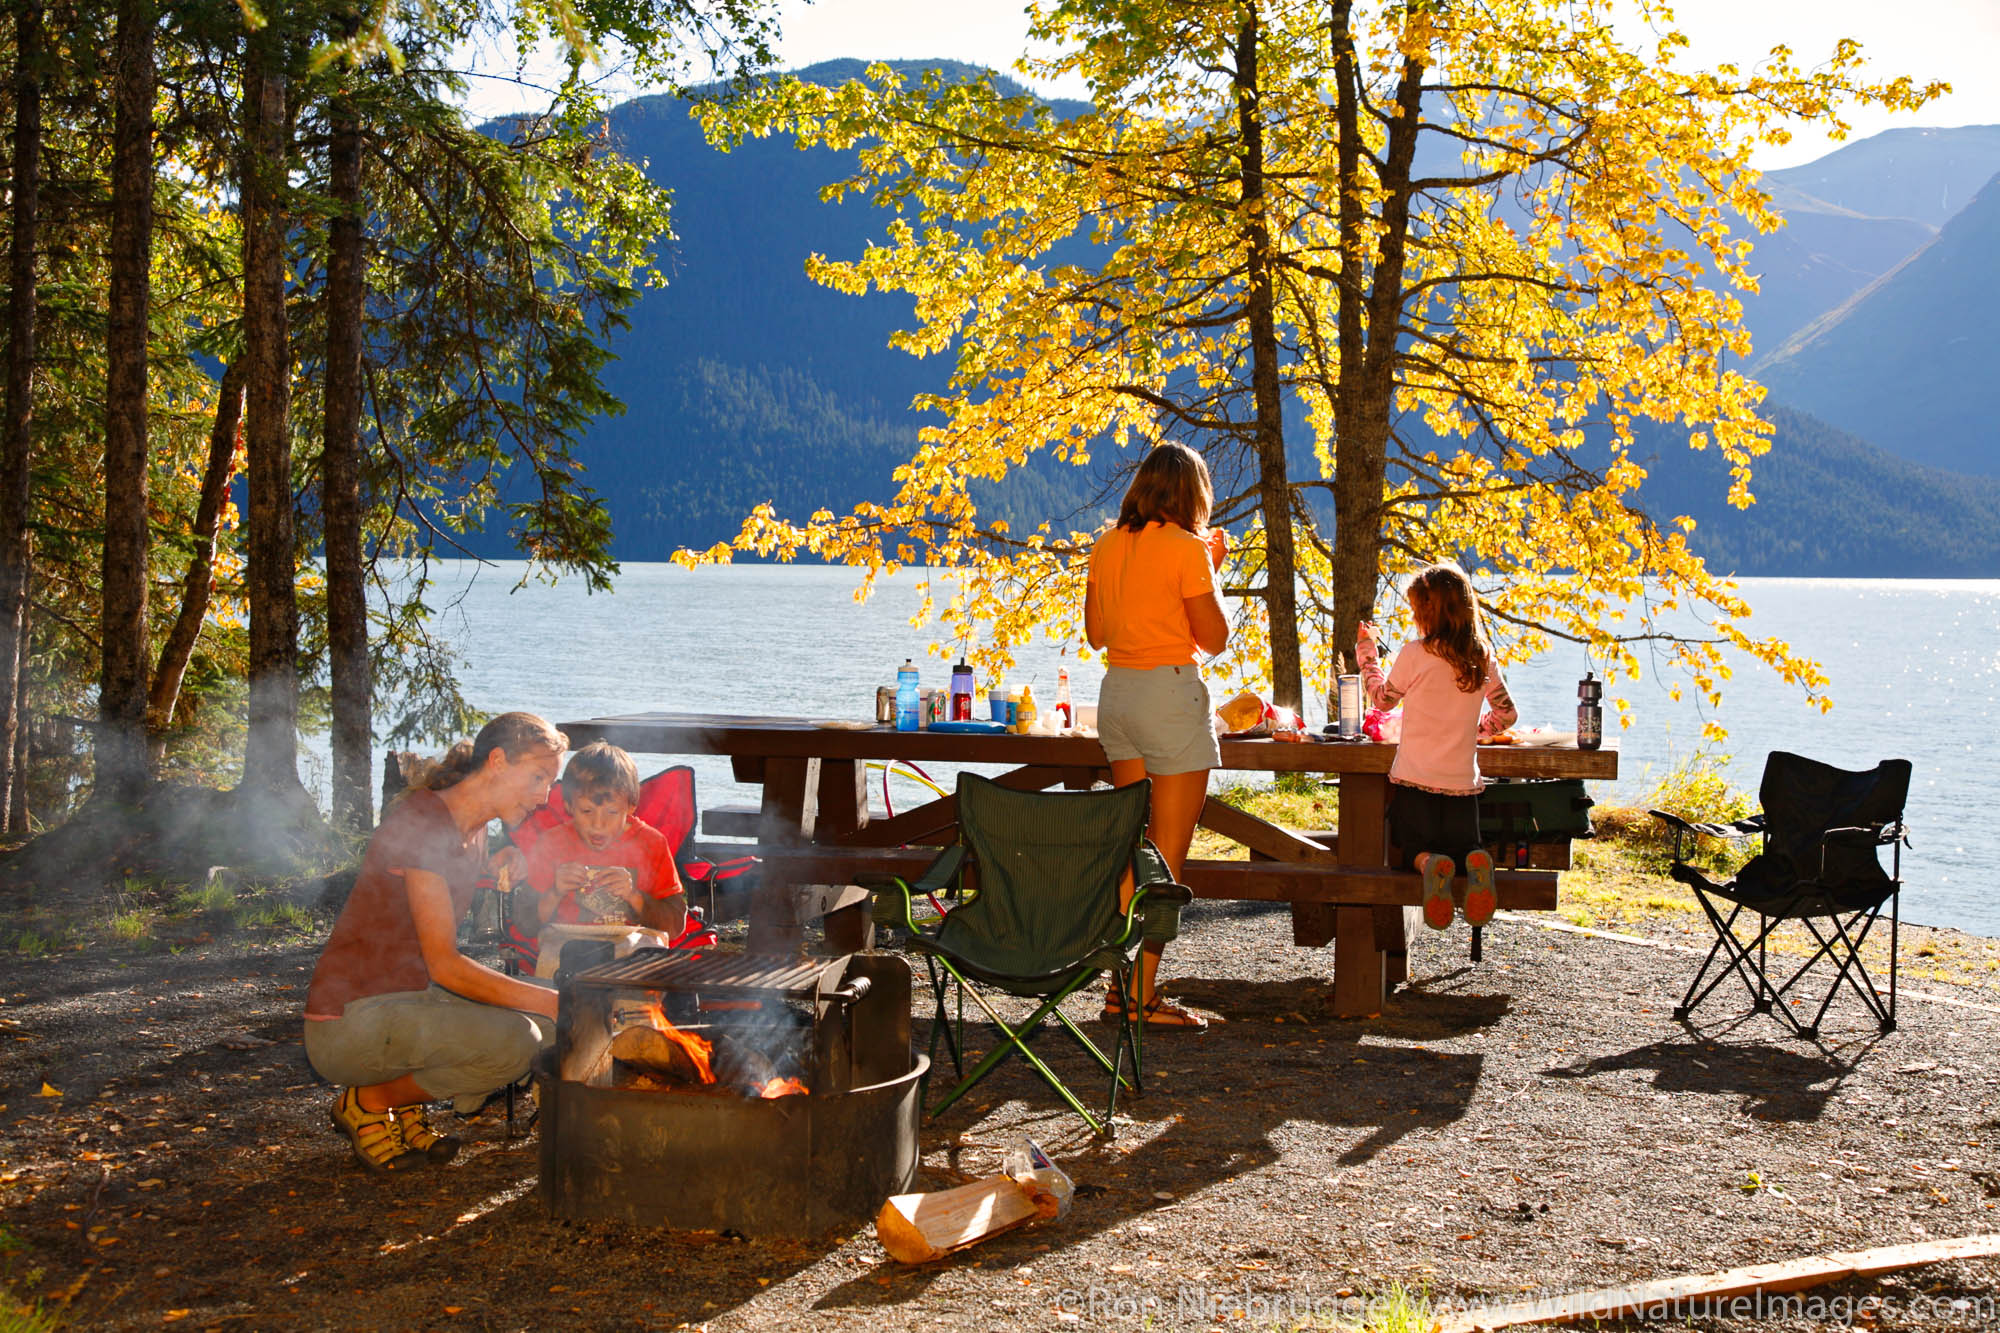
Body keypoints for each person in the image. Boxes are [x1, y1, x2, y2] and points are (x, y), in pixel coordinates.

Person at [303, 712, 567, 1174]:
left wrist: (495, 864)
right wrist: (553, 1000)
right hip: (350, 1019)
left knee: (544, 1031)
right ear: (499, 761)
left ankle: (404, 1100)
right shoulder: (424, 825)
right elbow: (445, 965)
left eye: (551, 781)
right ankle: (369, 1101)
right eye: (539, 776)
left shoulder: (473, 828)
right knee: (520, 1037)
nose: (545, 797)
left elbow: (434, 890)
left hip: (409, 1000)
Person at [1084, 440, 1230, 1030]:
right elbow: (1213, 638)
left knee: (1133, 845)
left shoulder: (1107, 543)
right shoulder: (1187, 548)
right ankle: (1138, 997)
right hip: (1167, 696)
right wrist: (1210, 572)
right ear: (1192, 495)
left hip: (1116, 695)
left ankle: (1121, 987)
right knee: (1166, 852)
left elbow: (1097, 633)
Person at [1356, 562, 1518, 931]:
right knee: (1463, 851)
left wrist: (1367, 653)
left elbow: (1382, 701)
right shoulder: (1482, 655)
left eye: (1415, 610)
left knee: (1410, 849)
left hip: (1415, 779)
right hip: (1463, 784)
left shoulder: (1415, 653)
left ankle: (1430, 864)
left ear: (1427, 612)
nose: (1413, 617)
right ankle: (1478, 859)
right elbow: (1507, 714)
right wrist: (1476, 731)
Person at [512, 741, 688, 955]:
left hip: (633, 957)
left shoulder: (651, 844)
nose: (598, 824)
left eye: (612, 812)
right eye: (586, 811)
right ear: (569, 806)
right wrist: (555, 892)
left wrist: (633, 896)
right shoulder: (552, 843)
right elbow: (525, 924)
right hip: (568, 953)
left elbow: (675, 925)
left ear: (631, 807)